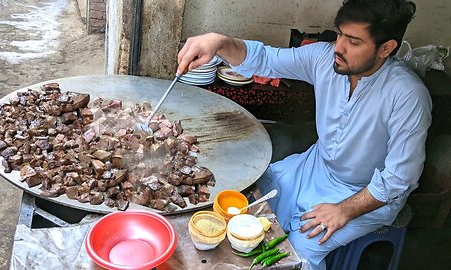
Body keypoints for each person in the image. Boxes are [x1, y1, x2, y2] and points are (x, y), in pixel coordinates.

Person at [178, 0, 432, 269]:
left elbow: (398, 180)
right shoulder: (323, 58)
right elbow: (266, 59)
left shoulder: (407, 96)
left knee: (295, 254)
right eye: (340, 34)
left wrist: (343, 210)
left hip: (366, 193)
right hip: (315, 167)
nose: (339, 47)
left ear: (386, 48)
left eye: (354, 41)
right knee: (244, 195)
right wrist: (219, 43)